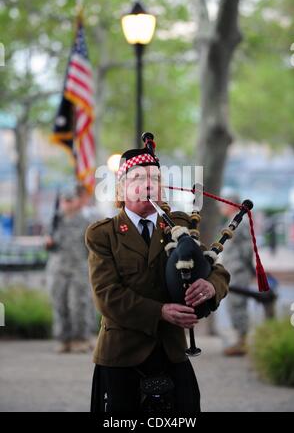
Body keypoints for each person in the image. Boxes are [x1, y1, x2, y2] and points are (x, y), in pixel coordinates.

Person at [85, 146, 230, 415]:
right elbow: (106, 295)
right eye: (138, 179)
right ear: (121, 189)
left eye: (155, 179)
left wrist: (211, 287)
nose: (148, 185)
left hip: (172, 351)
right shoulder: (103, 234)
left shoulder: (180, 225)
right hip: (121, 356)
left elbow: (216, 268)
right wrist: (161, 312)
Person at [46, 186, 96, 353]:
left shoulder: (86, 221)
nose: (66, 203)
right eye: (64, 200)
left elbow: (92, 248)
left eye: (70, 200)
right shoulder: (55, 220)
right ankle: (63, 339)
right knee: (59, 304)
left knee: (79, 304)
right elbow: (48, 243)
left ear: (77, 202)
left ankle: (80, 338)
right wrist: (47, 243)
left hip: (78, 269)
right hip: (57, 269)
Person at [220, 195, 254, 356]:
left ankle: (242, 341)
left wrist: (249, 268)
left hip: (239, 270)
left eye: (224, 204)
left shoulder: (242, 223)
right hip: (232, 269)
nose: (222, 207)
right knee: (233, 304)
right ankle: (240, 340)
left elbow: (247, 248)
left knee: (238, 304)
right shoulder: (234, 221)